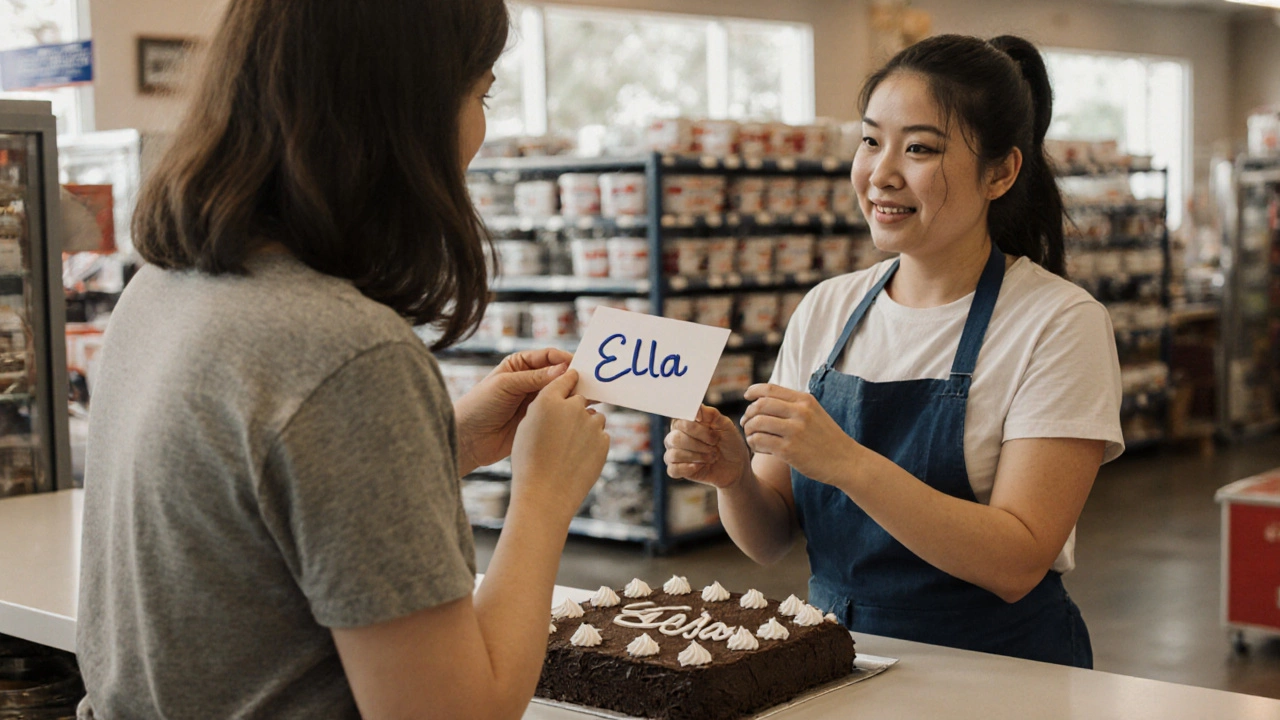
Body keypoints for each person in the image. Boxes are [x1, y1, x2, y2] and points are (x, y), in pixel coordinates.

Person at [76, 1, 610, 718]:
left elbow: (242, 500)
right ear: (402, 111)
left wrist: (437, 445)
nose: (480, 128)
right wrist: (544, 496)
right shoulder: (348, 354)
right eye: (479, 94)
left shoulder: (162, 287)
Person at [665, 34, 1123, 668]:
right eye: (870, 140)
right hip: (839, 659)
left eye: (919, 149)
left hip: (1002, 671)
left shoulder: (1057, 323)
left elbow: (1018, 560)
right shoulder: (827, 310)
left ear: (1001, 172)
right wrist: (733, 475)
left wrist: (849, 462)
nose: (880, 174)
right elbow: (771, 537)